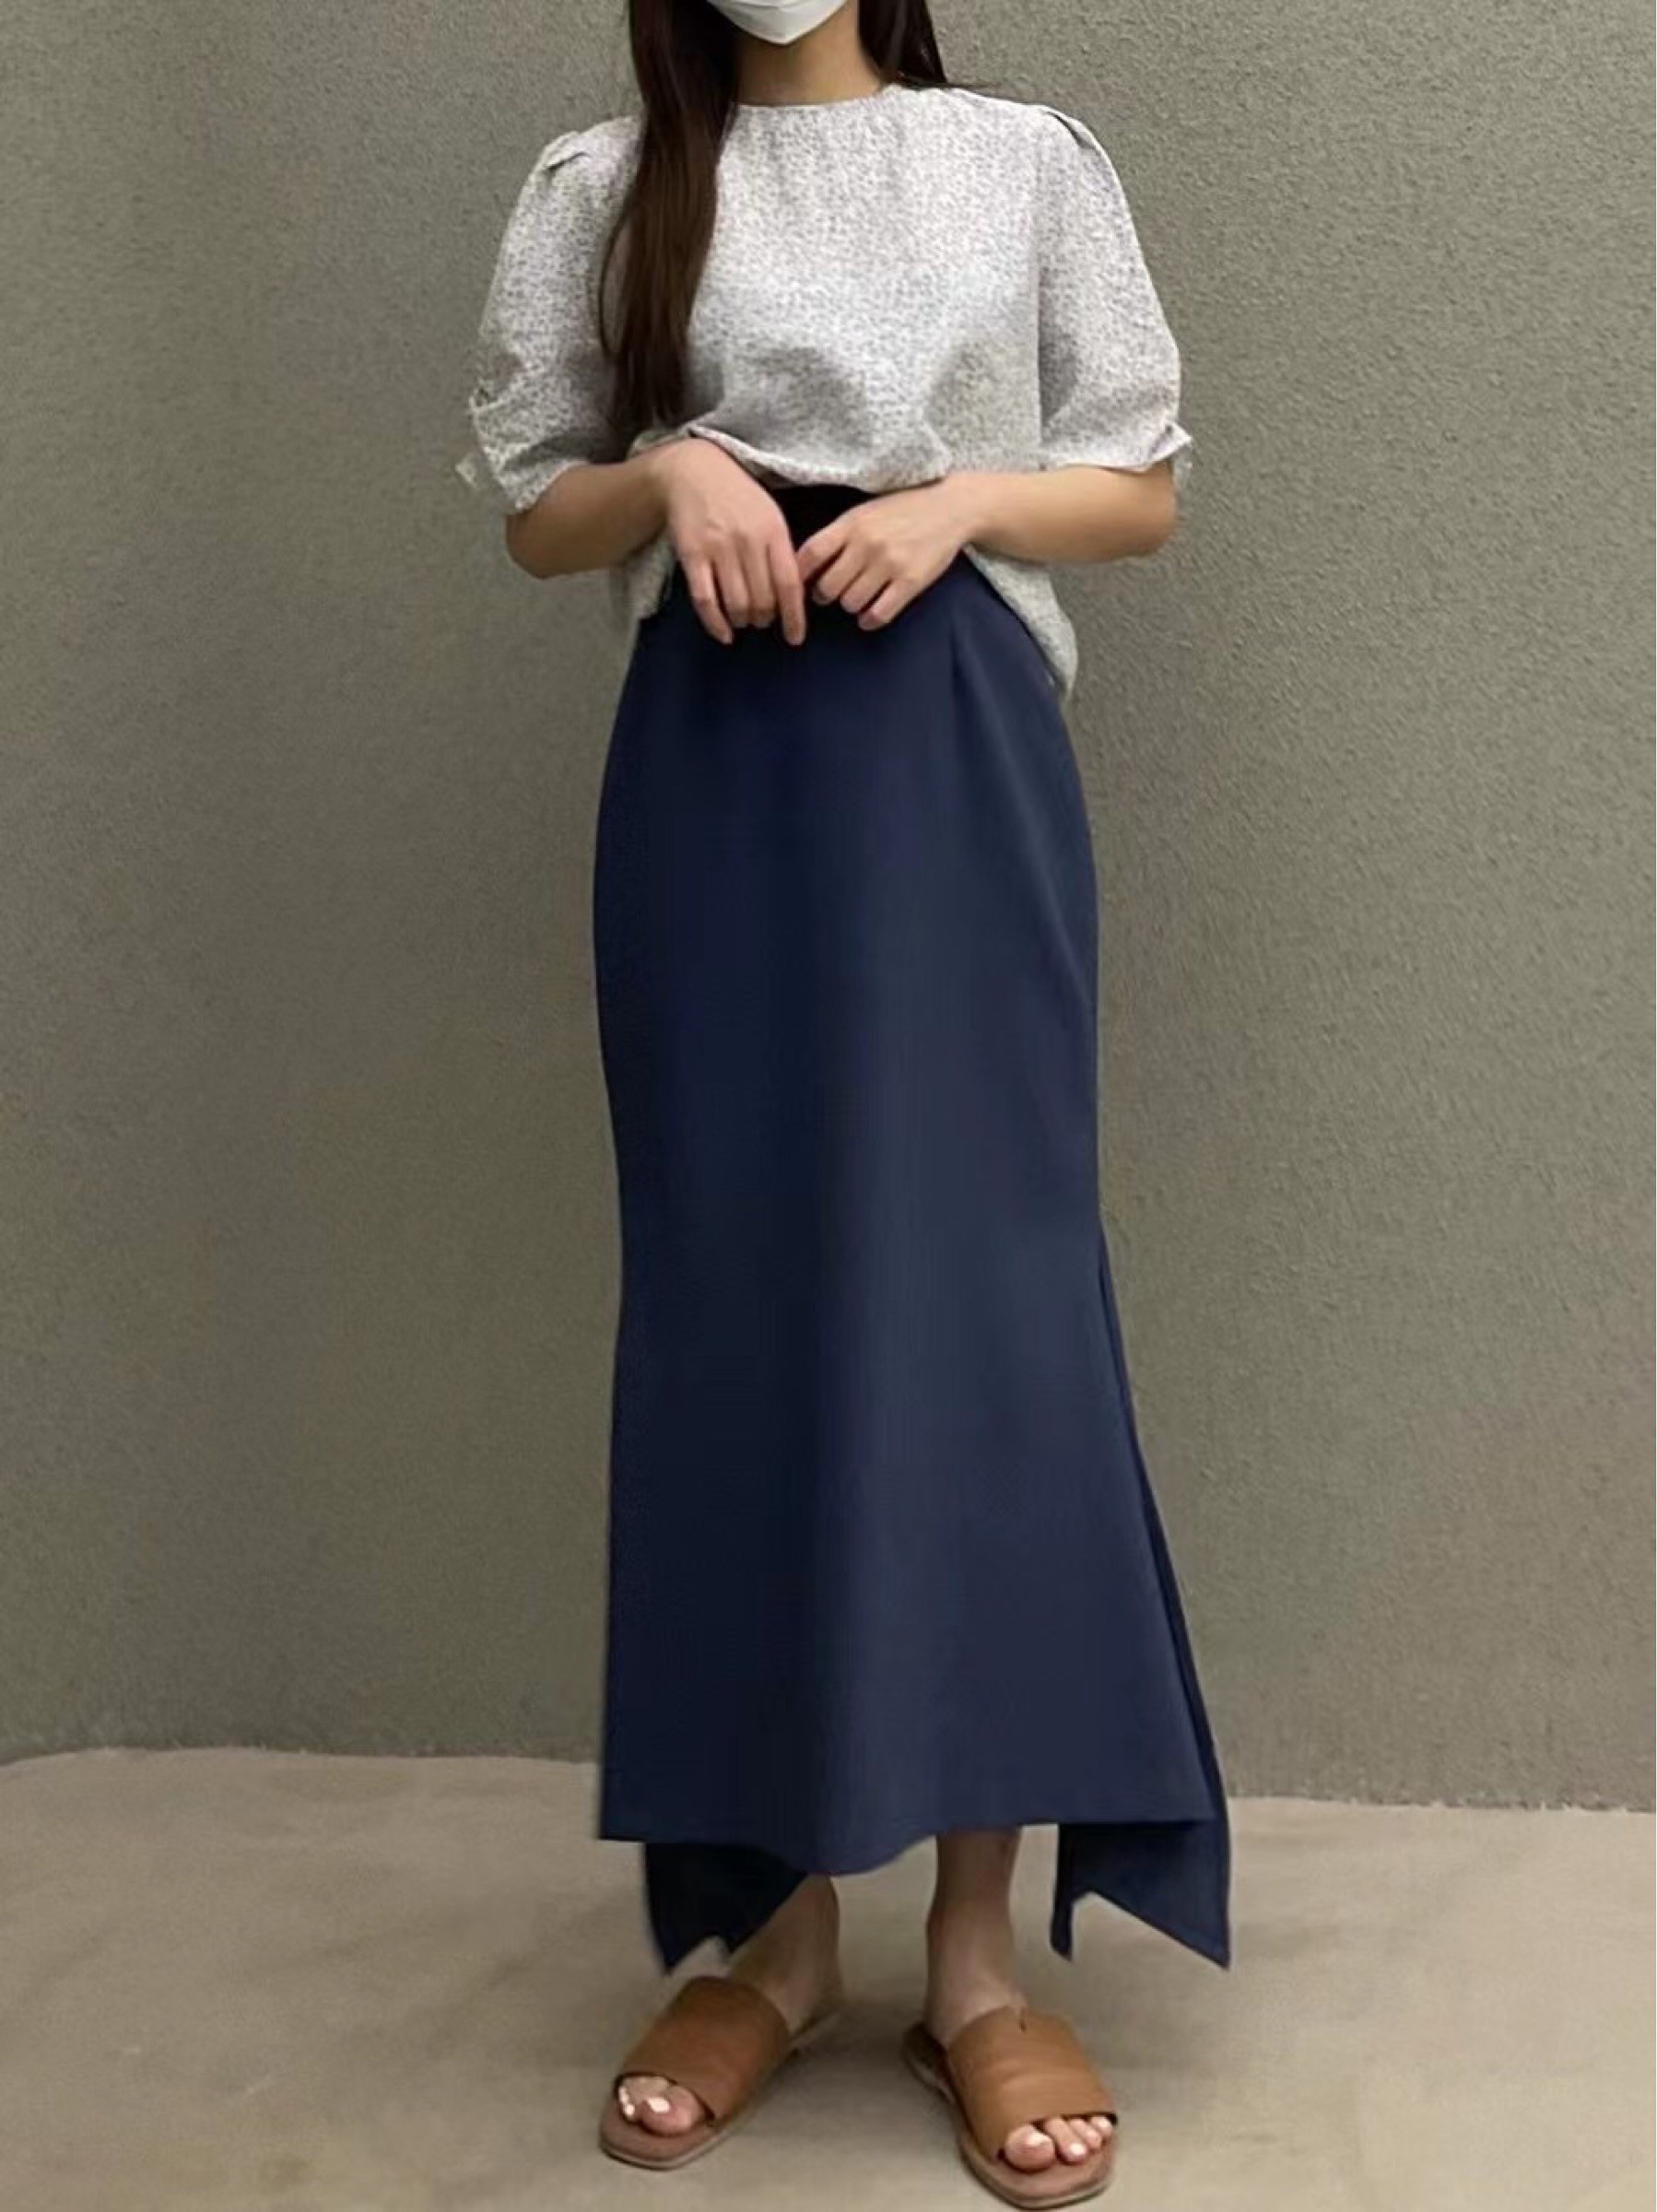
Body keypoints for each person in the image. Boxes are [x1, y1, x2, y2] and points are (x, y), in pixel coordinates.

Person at [456, 0, 1231, 2199]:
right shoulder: (603, 187)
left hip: (955, 764)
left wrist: (957, 500)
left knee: (984, 1324)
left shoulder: (1018, 164)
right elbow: (531, 507)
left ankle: (972, 1962)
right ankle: (778, 1941)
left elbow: (1140, 485)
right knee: (743, 1320)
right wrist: (667, 472)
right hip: (713, 784)